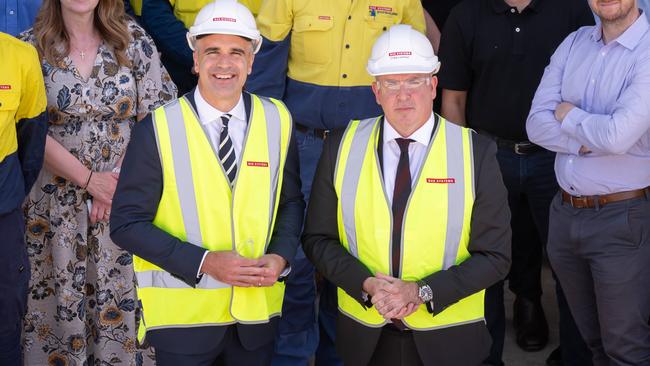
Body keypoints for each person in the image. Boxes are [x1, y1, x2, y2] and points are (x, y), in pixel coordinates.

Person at [302, 24, 511, 366]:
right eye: (391, 83)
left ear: (432, 85)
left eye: (414, 81)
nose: (403, 95)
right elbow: (317, 239)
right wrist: (367, 284)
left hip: (449, 339)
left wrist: (421, 291)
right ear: (375, 90)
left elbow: (496, 257)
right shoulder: (341, 145)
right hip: (365, 335)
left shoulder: (475, 152)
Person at [109, 0, 305, 365]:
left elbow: (290, 203)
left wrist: (280, 257)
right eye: (212, 51)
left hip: (255, 319)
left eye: (236, 52)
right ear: (195, 60)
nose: (224, 63)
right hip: (184, 324)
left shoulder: (278, 119)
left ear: (251, 61)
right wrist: (204, 262)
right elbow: (126, 224)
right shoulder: (159, 128)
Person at [247, 2, 426, 365]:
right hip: (302, 145)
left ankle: (340, 357)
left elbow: (413, 72)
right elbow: (264, 73)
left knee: (353, 256)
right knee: (293, 259)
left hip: (367, 148)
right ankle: (291, 356)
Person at [19, 0, 176, 364]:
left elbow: (160, 113)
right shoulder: (29, 47)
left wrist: (115, 182)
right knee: (55, 304)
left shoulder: (134, 41)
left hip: (125, 200)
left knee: (121, 296)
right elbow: (27, 128)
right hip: (53, 205)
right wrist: (91, 181)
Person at [437, 0, 594, 364]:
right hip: (489, 156)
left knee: (568, 262)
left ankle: (575, 355)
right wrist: (461, 168)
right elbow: (454, 99)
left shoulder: (571, 11)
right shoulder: (467, 14)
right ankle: (487, 355)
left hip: (556, 158)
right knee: (484, 262)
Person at [526, 0, 650, 364]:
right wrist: (590, 137)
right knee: (592, 342)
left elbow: (616, 137)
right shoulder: (574, 42)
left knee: (626, 349)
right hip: (564, 215)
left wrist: (568, 113)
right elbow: (536, 124)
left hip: (622, 220)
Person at [0, 32, 47, 366]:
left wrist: (10, 192)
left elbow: (31, 141)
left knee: (5, 320)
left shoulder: (19, 55)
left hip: (2, 216)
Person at [132, 0, 260, 95]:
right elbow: (156, 11)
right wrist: (196, 56)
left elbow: (275, 25)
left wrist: (250, 59)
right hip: (181, 66)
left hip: (256, 66)